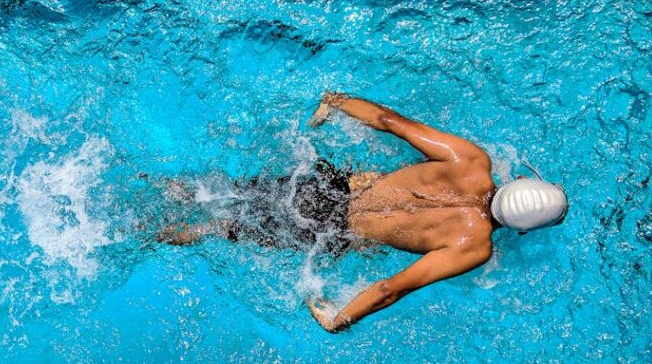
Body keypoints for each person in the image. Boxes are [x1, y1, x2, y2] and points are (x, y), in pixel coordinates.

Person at [157, 93, 568, 332]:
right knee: (221, 229)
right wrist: (340, 319)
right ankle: (149, 233)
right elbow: (392, 288)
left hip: (327, 186)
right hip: (330, 231)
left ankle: (159, 185)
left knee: (218, 191)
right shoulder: (474, 246)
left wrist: (336, 102)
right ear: (523, 230)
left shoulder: (471, 161)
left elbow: (390, 121)